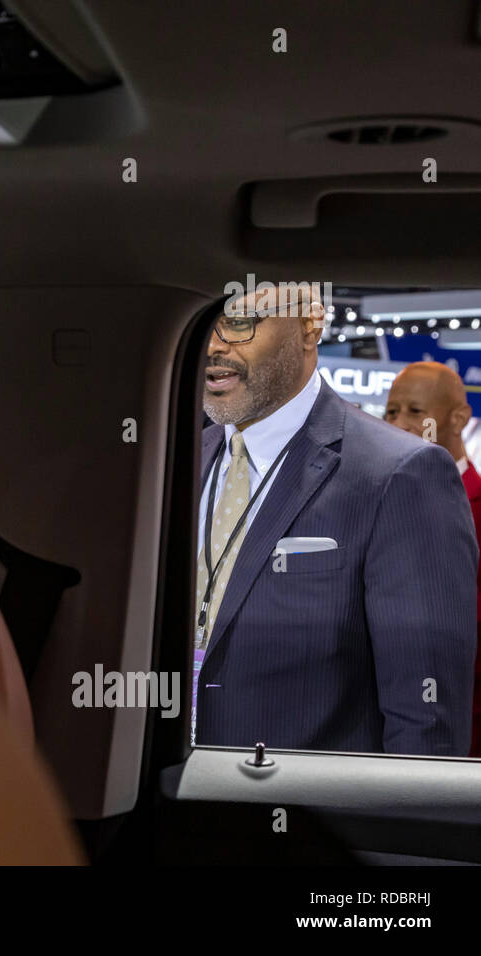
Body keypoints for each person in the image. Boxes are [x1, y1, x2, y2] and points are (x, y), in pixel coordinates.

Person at [194, 284, 476, 755]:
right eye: (206, 323)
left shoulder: (401, 474)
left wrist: (406, 826)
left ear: (309, 323)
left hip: (312, 818)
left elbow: (425, 720)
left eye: (241, 322)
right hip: (166, 809)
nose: (215, 346)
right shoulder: (183, 459)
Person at [384, 361, 481, 757]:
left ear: (458, 419)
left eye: (415, 411)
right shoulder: (371, 503)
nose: (399, 423)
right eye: (391, 411)